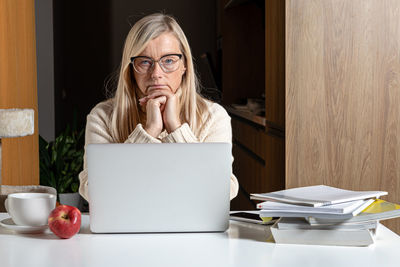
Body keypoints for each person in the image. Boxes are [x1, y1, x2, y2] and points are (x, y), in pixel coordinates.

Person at [78, 13, 239, 201]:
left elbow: (222, 190)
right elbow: (94, 191)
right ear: (130, 68)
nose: (156, 74)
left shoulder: (213, 116)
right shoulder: (103, 116)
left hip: (191, 228)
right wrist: (149, 132)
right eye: (145, 62)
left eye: (169, 60)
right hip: (126, 227)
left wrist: (175, 128)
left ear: (184, 64)